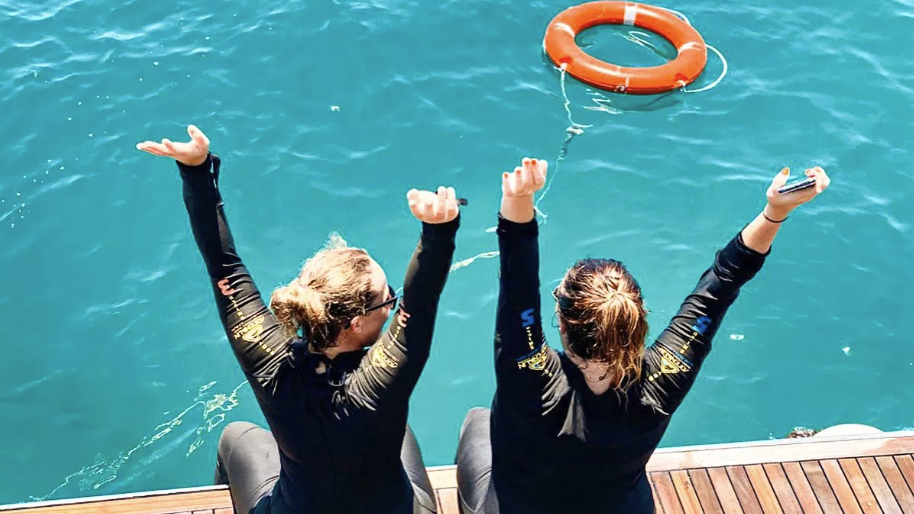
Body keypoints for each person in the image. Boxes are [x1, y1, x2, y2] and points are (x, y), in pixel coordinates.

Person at [455, 158, 831, 514]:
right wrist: (775, 212)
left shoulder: (528, 373)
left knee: (477, 420)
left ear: (563, 322)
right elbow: (722, 284)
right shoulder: (666, 375)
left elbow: (517, 283)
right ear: (634, 321)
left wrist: (518, 198)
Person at [136, 125, 462, 514]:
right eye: (387, 298)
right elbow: (420, 306)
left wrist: (195, 169)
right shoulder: (380, 384)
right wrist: (439, 230)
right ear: (355, 322)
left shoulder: (267, 359)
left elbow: (223, 266)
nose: (393, 305)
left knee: (235, 436)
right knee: (399, 434)